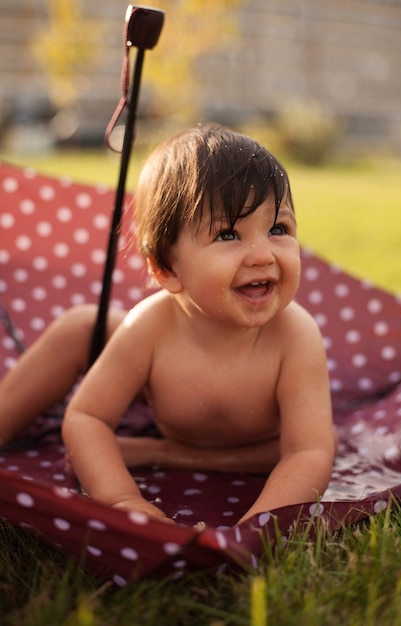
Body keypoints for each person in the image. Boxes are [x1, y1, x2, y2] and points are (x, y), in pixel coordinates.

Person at [0, 123, 335, 525]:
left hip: (260, 449)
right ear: (165, 269)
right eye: (228, 234)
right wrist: (123, 500)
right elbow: (86, 418)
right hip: (164, 385)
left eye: (278, 229)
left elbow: (306, 453)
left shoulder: (295, 335)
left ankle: (166, 452)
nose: (263, 255)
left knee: (321, 441)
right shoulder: (150, 325)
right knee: (83, 325)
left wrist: (256, 528)